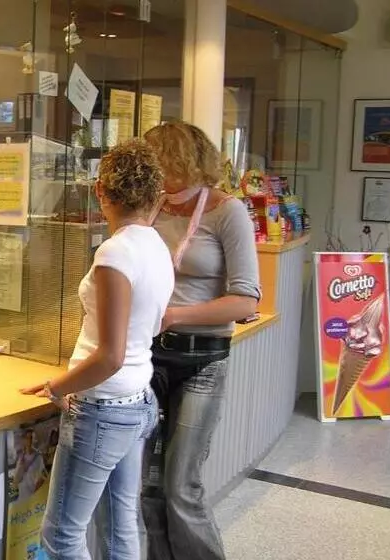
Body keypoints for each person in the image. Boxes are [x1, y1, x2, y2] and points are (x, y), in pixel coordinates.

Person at [21, 139, 172, 560]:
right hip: (137, 401)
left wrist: (57, 387)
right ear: (155, 195)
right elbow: (152, 325)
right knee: (120, 529)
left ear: (101, 191)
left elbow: (109, 356)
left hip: (104, 408)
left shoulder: (116, 252)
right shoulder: (156, 246)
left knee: (62, 538)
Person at [142, 121, 261, 560]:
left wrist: (174, 316)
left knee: (181, 487)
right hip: (148, 358)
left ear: (185, 163)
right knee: (148, 487)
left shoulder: (228, 212)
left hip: (202, 360)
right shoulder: (152, 208)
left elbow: (245, 300)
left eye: (163, 166)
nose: (158, 177)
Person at [14, 429, 48, 502]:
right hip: (22, 496)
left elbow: (42, 477)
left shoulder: (38, 457)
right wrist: (20, 468)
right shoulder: (21, 457)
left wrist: (35, 494)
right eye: (27, 438)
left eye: (31, 438)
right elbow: (15, 482)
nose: (29, 440)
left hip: (33, 497)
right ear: (24, 440)